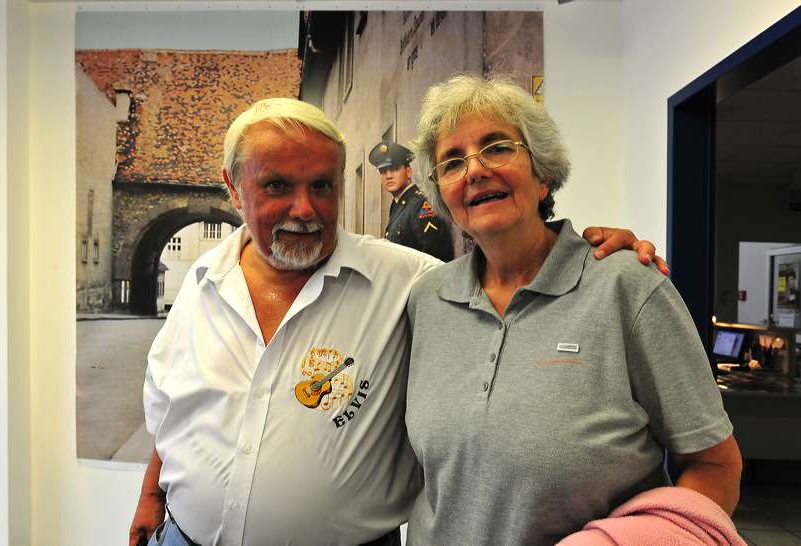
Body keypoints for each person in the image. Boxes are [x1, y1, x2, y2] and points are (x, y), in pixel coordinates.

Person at [129, 97, 666, 546]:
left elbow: (505, 267)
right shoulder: (203, 278)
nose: (304, 209)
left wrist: (599, 250)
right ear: (232, 185)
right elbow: (176, 405)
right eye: (276, 187)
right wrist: (151, 497)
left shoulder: (414, 283)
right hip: (181, 536)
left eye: (322, 185)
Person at [404, 73, 742, 545]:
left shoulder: (626, 287)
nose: (475, 170)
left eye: (497, 147)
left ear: (543, 174)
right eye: (452, 162)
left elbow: (715, 465)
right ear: (444, 198)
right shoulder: (427, 300)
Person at [369, 141, 455, 261]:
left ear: (408, 172)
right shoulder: (398, 205)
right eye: (383, 171)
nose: (388, 176)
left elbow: (433, 258)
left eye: (394, 169)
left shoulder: (421, 205)